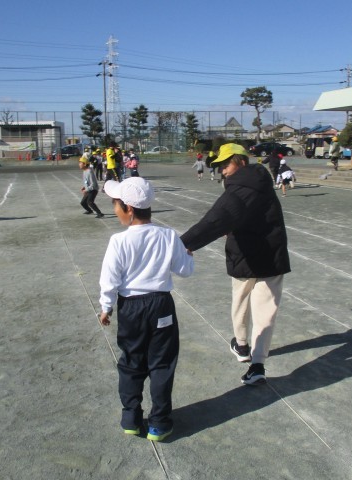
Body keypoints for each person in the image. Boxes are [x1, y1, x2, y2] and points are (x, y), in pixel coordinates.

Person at [180, 143, 290, 385]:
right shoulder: (260, 180)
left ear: (240, 161)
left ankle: (243, 348)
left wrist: (184, 244)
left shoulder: (241, 186)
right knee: (265, 310)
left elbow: (217, 218)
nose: (223, 170)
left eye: (226, 164)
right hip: (271, 254)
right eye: (220, 166)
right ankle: (256, 362)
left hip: (246, 254)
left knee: (243, 302)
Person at [98, 177, 194, 442]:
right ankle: (159, 423)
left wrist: (106, 307)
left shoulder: (119, 241)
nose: (115, 209)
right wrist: (188, 256)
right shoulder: (168, 235)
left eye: (116, 204)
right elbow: (185, 270)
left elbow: (109, 278)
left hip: (131, 307)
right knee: (162, 363)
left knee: (132, 361)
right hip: (161, 306)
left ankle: (131, 418)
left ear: (129, 208)